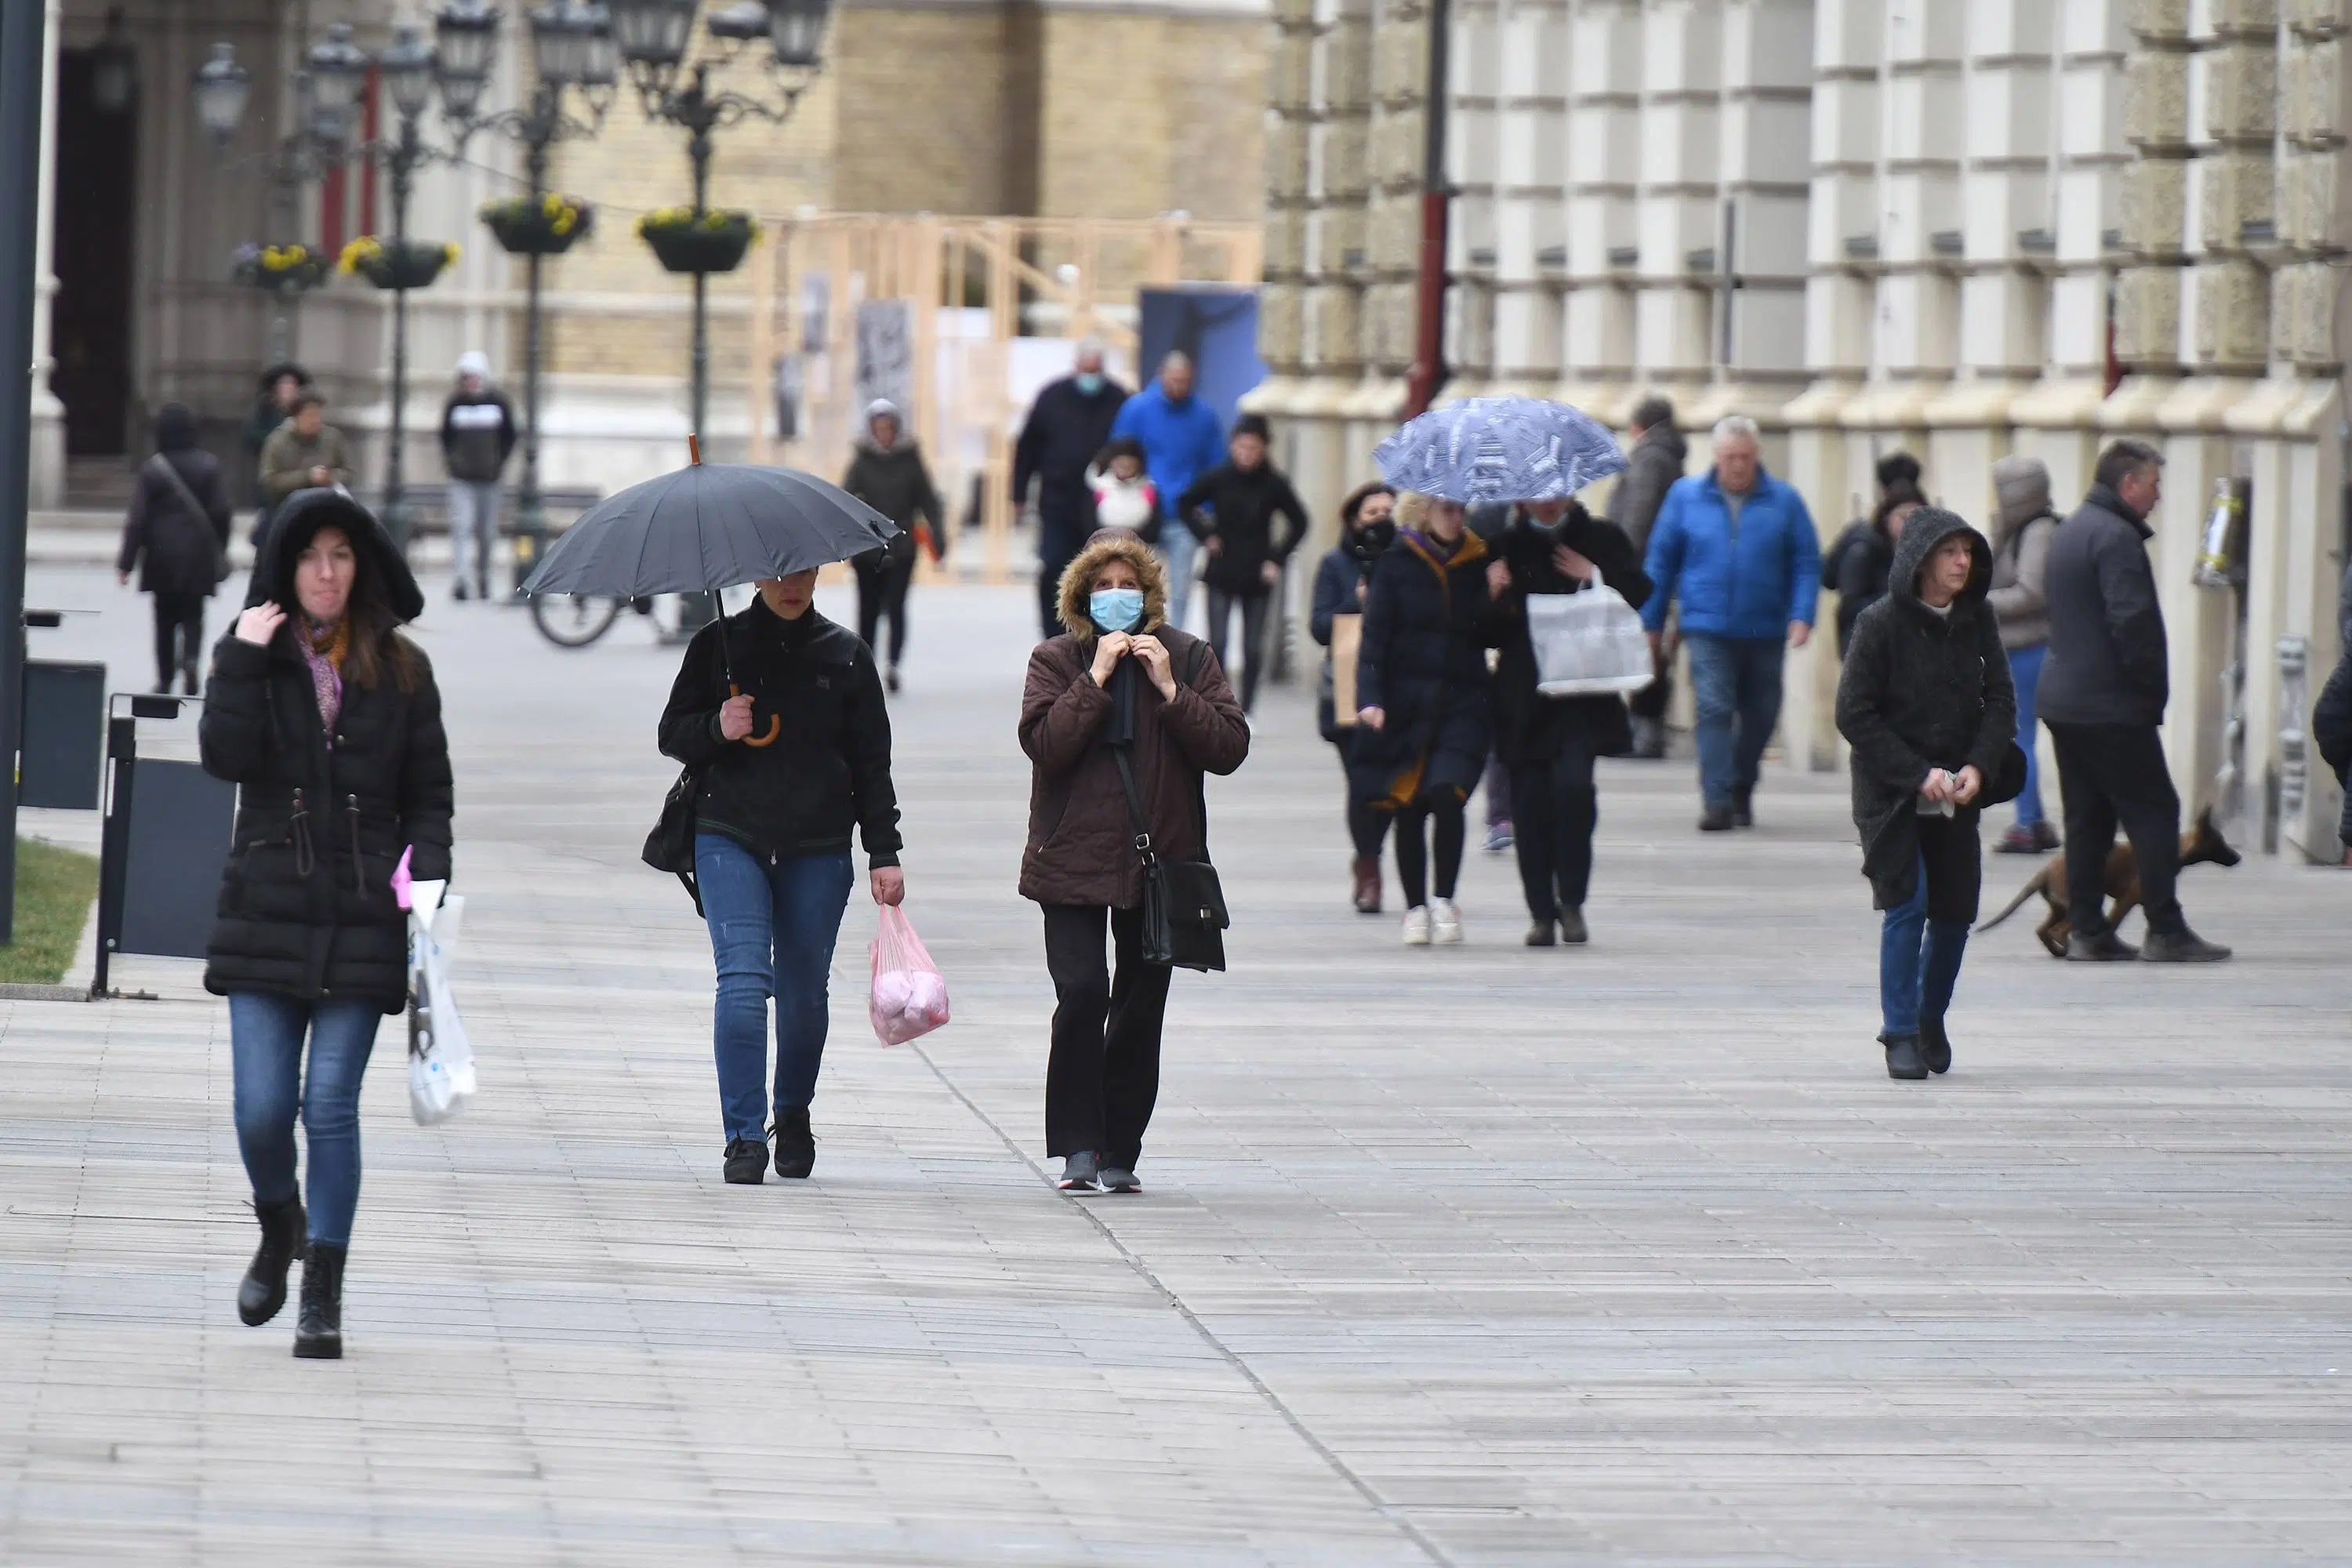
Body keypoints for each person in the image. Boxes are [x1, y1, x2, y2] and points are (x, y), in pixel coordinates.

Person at [198, 489, 452, 1360]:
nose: (327, 572)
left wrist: (426, 874)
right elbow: (223, 756)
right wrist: (242, 659)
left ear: (363, 565)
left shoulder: (404, 669)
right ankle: (281, 1221)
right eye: (311, 556)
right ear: (286, 566)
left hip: (363, 914)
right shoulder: (250, 652)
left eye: (341, 554)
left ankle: (323, 1294)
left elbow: (430, 797)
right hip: (266, 907)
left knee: (330, 1104)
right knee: (263, 1109)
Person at [659, 567, 906, 1185]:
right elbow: (672, 733)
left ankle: (792, 1113)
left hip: (817, 846)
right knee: (744, 983)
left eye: (802, 571)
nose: (791, 584)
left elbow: (872, 763)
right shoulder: (717, 646)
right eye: (776, 573)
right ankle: (743, 1136)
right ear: (753, 577)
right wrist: (718, 726)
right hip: (729, 835)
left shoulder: (846, 656)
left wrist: (883, 851)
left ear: (818, 572)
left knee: (803, 996)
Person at [1018, 531, 1249, 1193]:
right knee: (1083, 993)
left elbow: (1229, 747)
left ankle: (1119, 1148)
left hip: (1159, 861)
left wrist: (1172, 690)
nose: (1116, 597)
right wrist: (1093, 680)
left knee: (1141, 1006)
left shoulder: (1188, 656)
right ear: (1081, 595)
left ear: (1149, 593)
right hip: (1071, 856)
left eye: (1128, 585)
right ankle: (1077, 1146)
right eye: (1103, 586)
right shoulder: (1055, 659)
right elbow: (1046, 745)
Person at [1835, 508, 2016, 1080]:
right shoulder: (1879, 623)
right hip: (1891, 791)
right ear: (1920, 561)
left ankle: (1929, 1016)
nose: (1962, 562)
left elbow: (2001, 700)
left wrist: (1979, 766)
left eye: (1968, 552)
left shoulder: (1977, 618)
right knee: (1907, 902)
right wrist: (1916, 773)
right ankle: (1900, 1031)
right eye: (1949, 552)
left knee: (1956, 910)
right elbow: (1853, 713)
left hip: (1955, 790)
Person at [2038, 441, 2230, 960]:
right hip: (2110, 703)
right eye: (2153, 484)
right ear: (2128, 485)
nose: (2158, 496)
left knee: (2088, 816)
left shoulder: (2071, 530)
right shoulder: (2116, 537)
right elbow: (2132, 623)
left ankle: (2086, 929)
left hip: (2065, 700)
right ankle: (2165, 927)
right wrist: (2149, 691)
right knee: (2155, 809)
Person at [1641, 415, 1822, 831]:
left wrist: (1802, 615)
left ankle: (1742, 781)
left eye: (1744, 457)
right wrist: (1651, 619)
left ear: (1756, 456)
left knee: (1762, 714)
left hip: (1766, 627)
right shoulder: (1686, 497)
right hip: (1706, 626)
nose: (1738, 465)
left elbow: (1806, 562)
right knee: (1714, 707)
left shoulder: (1784, 501)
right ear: (1716, 457)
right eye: (1729, 457)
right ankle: (1717, 800)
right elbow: (1661, 561)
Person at [1487, 499, 1653, 946]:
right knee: (1529, 805)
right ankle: (1541, 913)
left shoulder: (1600, 538)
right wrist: (1492, 592)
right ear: (1521, 500)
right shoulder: (1504, 548)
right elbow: (1482, 630)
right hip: (1525, 697)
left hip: (1583, 694)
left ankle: (1573, 901)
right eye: (1537, 495)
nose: (1547, 503)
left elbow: (1639, 593)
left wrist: (1595, 575)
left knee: (1575, 791)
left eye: (1556, 492)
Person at [1353, 492, 1497, 946]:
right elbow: (1374, 639)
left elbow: (1495, 633)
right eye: (1447, 509)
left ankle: (1444, 899)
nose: (1456, 517)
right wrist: (1370, 698)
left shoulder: (1480, 561)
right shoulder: (1397, 562)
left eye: (1461, 509)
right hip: (1407, 705)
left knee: (1448, 794)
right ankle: (1415, 907)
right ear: (1426, 512)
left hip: (1464, 701)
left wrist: (1496, 595)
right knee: (1410, 806)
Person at [1178, 412, 1309, 711]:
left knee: (1252, 646)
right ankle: (1220, 702)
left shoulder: (1273, 483)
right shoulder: (1219, 477)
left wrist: (1277, 559)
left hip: (1257, 570)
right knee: (1218, 642)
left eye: (1253, 448)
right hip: (1221, 567)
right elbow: (1186, 503)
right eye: (1241, 447)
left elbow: (1300, 522)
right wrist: (1206, 535)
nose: (1247, 454)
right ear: (1232, 446)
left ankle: (1247, 707)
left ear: (1264, 449)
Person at [1310, 481, 1398, 913]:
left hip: (1396, 686)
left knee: (1391, 784)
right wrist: (1355, 601)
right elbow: (1319, 627)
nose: (1380, 521)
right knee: (1362, 784)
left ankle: (1371, 853)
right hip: (1347, 689)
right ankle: (1369, 866)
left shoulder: (1404, 562)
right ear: (1354, 518)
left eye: (1388, 513)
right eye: (1372, 513)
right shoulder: (1335, 563)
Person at [1014, 340, 1131, 638]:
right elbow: (1027, 448)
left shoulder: (1118, 399)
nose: (1090, 377)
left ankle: (1095, 634)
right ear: (1076, 367)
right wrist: (1018, 493)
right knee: (1054, 565)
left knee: (1100, 571)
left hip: (1103, 504)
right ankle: (1053, 636)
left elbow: (1130, 447)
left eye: (1096, 370)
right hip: (1058, 501)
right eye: (1086, 370)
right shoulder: (1052, 397)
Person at [117, 402, 233, 695]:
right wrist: (220, 546)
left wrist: (126, 563)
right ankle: (191, 660)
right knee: (194, 613)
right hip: (198, 554)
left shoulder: (153, 469)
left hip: (160, 554)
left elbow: (138, 519)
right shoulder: (209, 465)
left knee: (164, 619)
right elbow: (222, 511)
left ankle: (166, 677)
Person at [1110, 352, 1226, 632]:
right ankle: (1135, 633)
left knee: (1181, 587)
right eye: (1174, 380)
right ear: (1161, 375)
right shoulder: (1137, 410)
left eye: (1184, 381)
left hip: (1184, 515)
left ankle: (1174, 639)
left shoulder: (1204, 417)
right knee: (1136, 581)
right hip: (1142, 512)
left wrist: (1208, 510)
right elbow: (1117, 453)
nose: (1178, 386)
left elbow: (1215, 466)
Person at [1986, 454, 2062, 854]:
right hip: (2020, 646)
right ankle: (2034, 819)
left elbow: (2032, 592)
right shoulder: (2018, 530)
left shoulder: (2038, 533)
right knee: (2020, 736)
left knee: (2020, 738)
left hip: (2031, 647)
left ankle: (2028, 823)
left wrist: (1978, 603)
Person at [841, 398, 944, 692]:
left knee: (897, 605)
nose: (884, 433)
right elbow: (845, 500)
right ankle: (866, 664)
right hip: (868, 549)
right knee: (868, 608)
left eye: (888, 428)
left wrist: (938, 536)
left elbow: (928, 500)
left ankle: (893, 665)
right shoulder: (862, 461)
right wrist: (846, 538)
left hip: (902, 546)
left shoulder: (910, 460)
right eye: (879, 428)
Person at [1613, 394, 1687, 758]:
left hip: (1644, 570)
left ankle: (1643, 732)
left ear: (1638, 427)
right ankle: (1647, 728)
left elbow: (1638, 516)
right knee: (1653, 650)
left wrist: (1621, 563)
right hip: (1661, 569)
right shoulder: (1671, 455)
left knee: (1644, 648)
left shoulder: (1649, 459)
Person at [437, 350, 517, 602]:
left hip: (489, 479)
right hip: (461, 478)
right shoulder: (455, 403)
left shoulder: (498, 402)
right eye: (465, 378)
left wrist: (498, 463)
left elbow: (509, 436)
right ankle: (461, 580)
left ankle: (483, 577)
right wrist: (453, 463)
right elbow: (445, 437)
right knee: (461, 528)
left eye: (473, 377)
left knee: (486, 533)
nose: (469, 382)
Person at [1822, 482, 1922, 656]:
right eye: (1903, 518)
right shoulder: (1863, 551)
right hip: (1864, 646)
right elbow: (1851, 606)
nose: (1910, 525)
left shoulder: (1917, 553)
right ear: (1887, 517)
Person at [258, 394, 353, 550]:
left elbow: (348, 473)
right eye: (309, 416)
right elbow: (269, 481)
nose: (315, 420)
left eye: (317, 415)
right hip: (285, 512)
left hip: (325, 511)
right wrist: (307, 477)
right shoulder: (277, 442)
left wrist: (330, 476)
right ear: (296, 417)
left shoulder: (333, 438)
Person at [241, 363, 309, 512]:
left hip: (299, 479)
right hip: (271, 479)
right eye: (284, 386)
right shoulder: (264, 412)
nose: (288, 390)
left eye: (292, 386)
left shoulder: (304, 413)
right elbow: (251, 438)